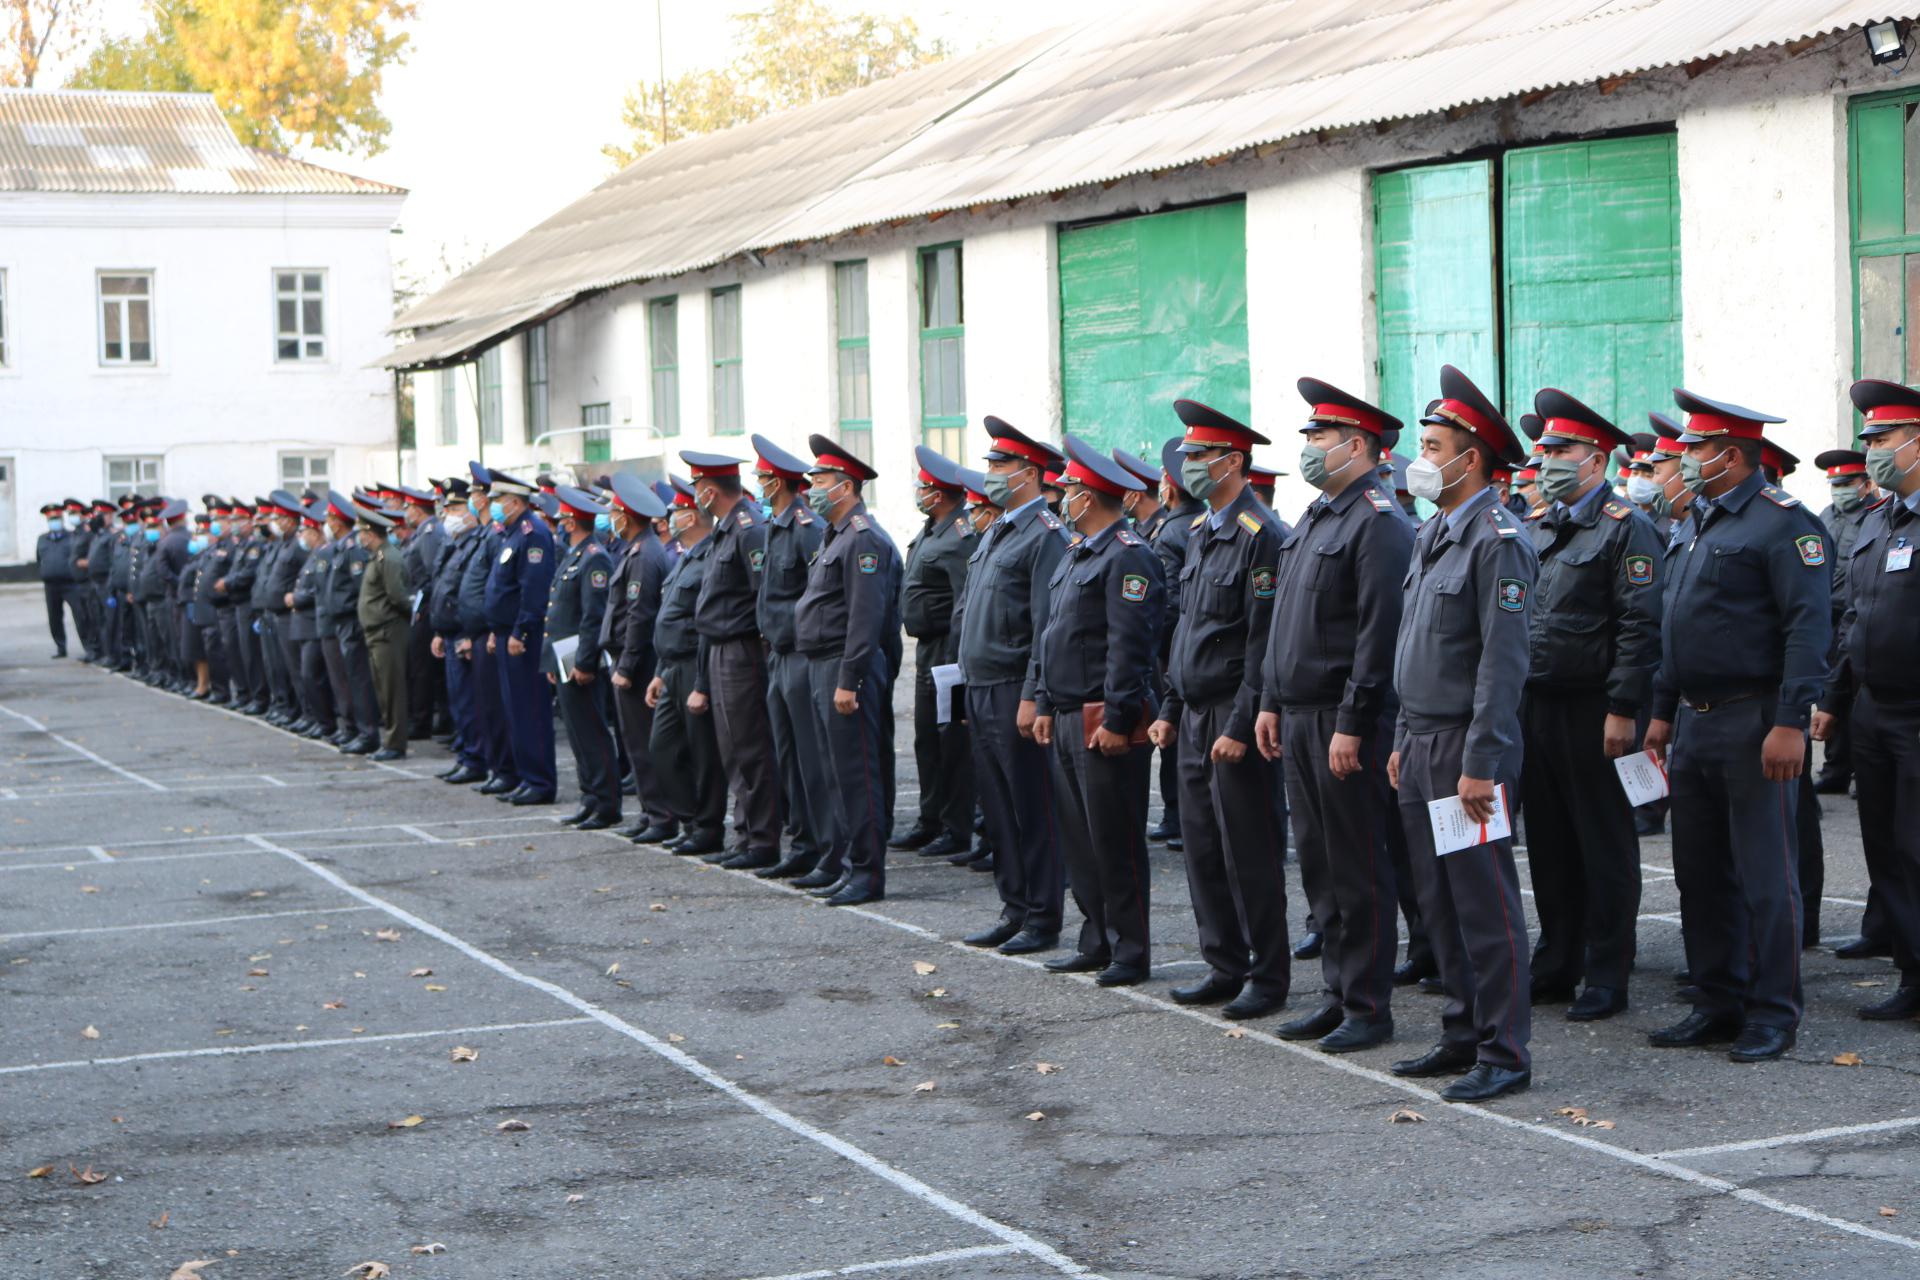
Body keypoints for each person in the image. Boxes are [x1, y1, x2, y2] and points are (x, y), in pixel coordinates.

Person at [1643, 389, 1829, 1063]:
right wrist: (1662, 711)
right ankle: (1717, 1000)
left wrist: (1790, 722)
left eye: (1693, 450)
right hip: (1695, 720)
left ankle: (1773, 1012)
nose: (1681, 460)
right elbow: (1676, 627)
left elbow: (1808, 630)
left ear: (1729, 454)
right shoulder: (1697, 523)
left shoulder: (1784, 524)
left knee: (1764, 876)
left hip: (1755, 720)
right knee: (1699, 871)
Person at [1385, 364, 1536, 1103]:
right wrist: (1402, 738)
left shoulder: (1498, 540)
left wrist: (1481, 760)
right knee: (1437, 899)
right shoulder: (1435, 531)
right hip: (1422, 743)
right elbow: (1419, 646)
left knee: (1484, 900)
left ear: (1470, 457)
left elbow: (1500, 666)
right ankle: (1460, 1029)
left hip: (1466, 750)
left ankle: (1504, 1050)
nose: (1422, 455)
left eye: (1434, 443)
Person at [1253, 378, 1412, 1052]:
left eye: (1320, 437)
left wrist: (1353, 721)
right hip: (1297, 714)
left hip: (1345, 721)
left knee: (1358, 864)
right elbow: (1282, 624)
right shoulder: (1318, 515)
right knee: (1319, 864)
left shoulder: (1378, 522)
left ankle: (1368, 1005)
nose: (1309, 447)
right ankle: (1336, 992)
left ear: (1358, 446)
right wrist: (1267, 701)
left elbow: (1378, 638)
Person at [1516, 389, 1664, 1022]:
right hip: (1537, 702)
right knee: (1548, 843)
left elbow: (1641, 624)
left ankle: (1607, 972)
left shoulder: (1627, 527)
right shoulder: (1537, 524)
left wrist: (1624, 708)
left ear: (1597, 460)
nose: (1548, 459)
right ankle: (1557, 962)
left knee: (1603, 843)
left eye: (1562, 449)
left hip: (1596, 708)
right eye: (1544, 448)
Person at [1149, 399, 1291, 1021]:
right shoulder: (1205, 531)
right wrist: (1171, 705)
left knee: (1248, 853)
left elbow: (1262, 642)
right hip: (1194, 713)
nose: (1188, 465)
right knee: (1203, 848)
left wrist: (1240, 724)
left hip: (1234, 716)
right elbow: (1189, 629)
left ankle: (1267, 972)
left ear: (1232, 461)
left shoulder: (1261, 536)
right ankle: (1223, 962)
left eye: (1199, 455)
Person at [1032, 435, 1165, 986]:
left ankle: (1130, 950)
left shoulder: (1129, 556)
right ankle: (1095, 938)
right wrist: (1042, 700)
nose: (1062, 498)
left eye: (1068, 490)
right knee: (1080, 840)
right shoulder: (1075, 553)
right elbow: (1051, 634)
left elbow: (1128, 648)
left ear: (1089, 497)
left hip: (1100, 718)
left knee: (1115, 839)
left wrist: (1116, 719)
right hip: (1064, 713)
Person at [1815, 378, 1920, 1021]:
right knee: (1883, 842)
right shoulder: (1880, 521)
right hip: (1875, 707)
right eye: (1871, 439)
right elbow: (1855, 617)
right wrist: (1834, 696)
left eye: (1883, 439)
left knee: (1916, 844)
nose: (1874, 450)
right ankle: (1911, 968)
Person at [957, 417, 1071, 953]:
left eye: (1000, 466)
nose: (991, 474)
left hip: (1012, 688)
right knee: (998, 807)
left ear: (1028, 474)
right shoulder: (997, 531)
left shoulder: (1044, 534)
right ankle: (1015, 906)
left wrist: (1033, 694)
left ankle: (1043, 916)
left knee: (1032, 807)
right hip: (981, 687)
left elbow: (1045, 625)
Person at [793, 434, 902, 906]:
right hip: (823, 666)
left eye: (820, 480)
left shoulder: (864, 539)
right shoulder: (834, 535)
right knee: (837, 773)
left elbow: (865, 617)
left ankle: (868, 874)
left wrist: (849, 678)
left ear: (846, 486)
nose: (812, 488)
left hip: (845, 667)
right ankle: (851, 864)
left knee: (858, 775)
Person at [681, 450, 782, 869]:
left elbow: (764, 596)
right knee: (732, 750)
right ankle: (744, 835)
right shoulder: (727, 528)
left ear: (708, 490)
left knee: (752, 748)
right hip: (720, 649)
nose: (695, 497)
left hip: (743, 651)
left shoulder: (747, 528)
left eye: (697, 488)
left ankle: (762, 840)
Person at [750, 435, 834, 879]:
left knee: (812, 759)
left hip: (803, 656)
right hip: (779, 655)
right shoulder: (776, 524)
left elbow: (818, 594)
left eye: (762, 478)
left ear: (777, 482)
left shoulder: (806, 527)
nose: (758, 485)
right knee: (788, 755)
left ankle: (826, 848)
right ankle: (802, 842)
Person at [891, 444, 977, 859]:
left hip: (949, 650)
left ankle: (956, 826)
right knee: (927, 738)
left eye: (922, 488)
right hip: (927, 650)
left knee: (952, 742)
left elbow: (965, 601)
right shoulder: (931, 529)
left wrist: (960, 665)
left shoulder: (960, 535)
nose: (918, 493)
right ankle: (930, 819)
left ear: (938, 494)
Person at [648, 478, 728, 855]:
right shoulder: (686, 557)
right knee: (662, 748)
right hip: (672, 668)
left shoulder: (711, 555)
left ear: (692, 515)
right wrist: (660, 672)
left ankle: (707, 827)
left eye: (677, 512)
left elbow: (704, 626)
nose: (671, 520)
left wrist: (702, 684)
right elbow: (671, 618)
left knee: (703, 754)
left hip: (697, 668)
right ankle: (689, 818)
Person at [602, 473, 675, 842]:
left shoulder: (646, 554)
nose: (610, 518)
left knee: (646, 744)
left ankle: (662, 816)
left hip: (639, 663)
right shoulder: (637, 550)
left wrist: (627, 667)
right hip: (631, 661)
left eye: (614, 511)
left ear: (626, 516)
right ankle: (651, 812)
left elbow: (639, 616)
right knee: (636, 743)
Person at [540, 485, 619, 828]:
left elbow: (593, 616)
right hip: (563, 656)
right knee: (576, 732)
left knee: (592, 732)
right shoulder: (577, 555)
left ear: (572, 522)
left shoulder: (594, 557)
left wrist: (585, 663)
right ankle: (590, 796)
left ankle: (605, 803)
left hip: (579, 656)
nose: (559, 524)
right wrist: (554, 664)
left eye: (562, 519)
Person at [483, 468, 559, 806]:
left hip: (522, 638)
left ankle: (540, 780)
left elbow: (533, 589)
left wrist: (520, 630)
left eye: (499, 501)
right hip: (504, 634)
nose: (494, 506)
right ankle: (524, 775)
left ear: (515, 502)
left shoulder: (533, 533)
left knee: (530, 708)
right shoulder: (511, 533)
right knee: (514, 709)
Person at [1143, 438, 1203, 852]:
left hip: (1173, 651)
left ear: (1169, 486)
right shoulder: (1196, 524)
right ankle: (1179, 816)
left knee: (1174, 741)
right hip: (1187, 650)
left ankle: (1176, 816)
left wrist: (1158, 646)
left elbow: (1168, 602)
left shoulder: (1172, 532)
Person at [429, 481, 487, 783]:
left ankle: (476, 758)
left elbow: (472, 596)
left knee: (469, 702)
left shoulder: (477, 541)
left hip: (465, 634)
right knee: (458, 702)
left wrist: (465, 632)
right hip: (450, 632)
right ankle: (466, 754)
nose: (449, 514)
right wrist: (439, 630)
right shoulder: (456, 542)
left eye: (456, 508)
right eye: (447, 509)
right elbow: (444, 590)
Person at [356, 506, 412, 760]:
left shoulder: (388, 558)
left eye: (362, 533)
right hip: (377, 632)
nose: (360, 537)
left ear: (371, 533)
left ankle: (395, 743)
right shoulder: (378, 556)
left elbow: (398, 596)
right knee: (383, 689)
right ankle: (390, 739)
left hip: (388, 631)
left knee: (392, 690)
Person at [398, 485, 448, 742]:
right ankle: (426, 718)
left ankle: (421, 721)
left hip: (425, 608)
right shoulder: (421, 533)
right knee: (418, 667)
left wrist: (423, 605)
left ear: (416, 510)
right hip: (419, 606)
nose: (405, 512)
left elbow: (432, 574)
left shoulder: (429, 533)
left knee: (421, 669)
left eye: (407, 507)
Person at [36, 501, 80, 659]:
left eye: (57, 518)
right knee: (54, 618)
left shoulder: (71, 537)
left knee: (80, 615)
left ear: (62, 519)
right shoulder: (42, 539)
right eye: (51, 519)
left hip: (70, 583)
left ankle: (89, 647)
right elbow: (39, 559)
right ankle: (61, 647)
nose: (54, 521)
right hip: (51, 584)